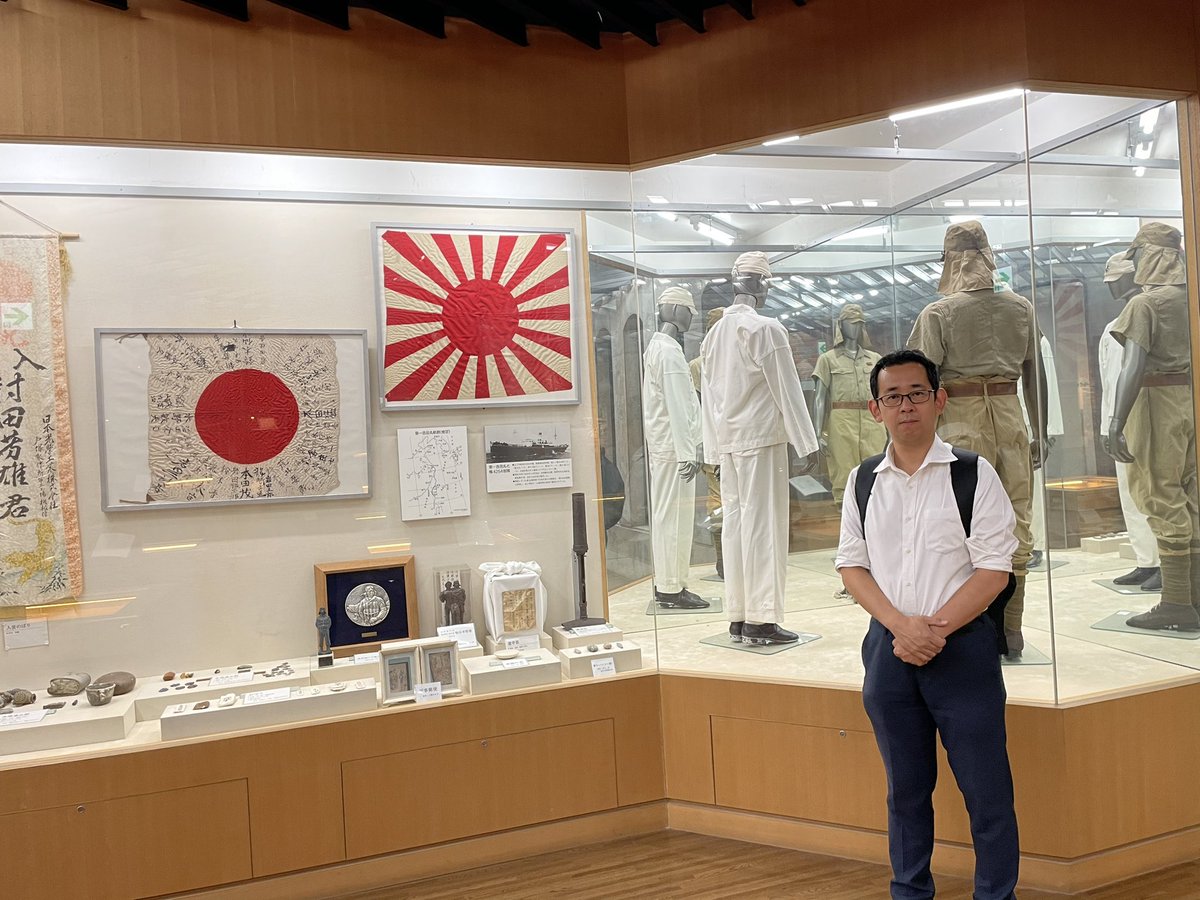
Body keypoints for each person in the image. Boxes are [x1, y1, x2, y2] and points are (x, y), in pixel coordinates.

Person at [836, 349, 1019, 900]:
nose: (906, 406)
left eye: (917, 393)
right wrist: (900, 627)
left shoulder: (973, 473)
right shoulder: (863, 480)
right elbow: (852, 565)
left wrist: (932, 630)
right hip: (889, 654)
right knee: (905, 793)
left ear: (939, 400)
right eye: (892, 396)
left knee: (987, 793)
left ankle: (996, 894)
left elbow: (995, 569)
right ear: (875, 409)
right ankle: (910, 891)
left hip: (962, 652)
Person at [907, 219, 1047, 660]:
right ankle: (1011, 630)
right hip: (1010, 417)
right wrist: (1041, 430)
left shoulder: (938, 314)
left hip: (959, 420)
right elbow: (1035, 372)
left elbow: (919, 381)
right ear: (989, 256)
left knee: (959, 524)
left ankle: (973, 631)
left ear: (949, 260)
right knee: (1016, 518)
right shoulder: (1021, 308)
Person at [700, 251, 818, 645]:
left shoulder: (714, 334)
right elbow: (787, 388)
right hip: (762, 440)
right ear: (762, 284)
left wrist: (713, 449)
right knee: (764, 526)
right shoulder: (766, 329)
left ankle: (738, 615)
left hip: (729, 444)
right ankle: (762, 619)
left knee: (735, 528)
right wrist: (806, 442)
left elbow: (709, 398)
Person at [1104, 222, 1198, 630]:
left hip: (1157, 402)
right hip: (1190, 399)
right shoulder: (1191, 298)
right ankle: (1193, 596)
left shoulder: (1145, 304)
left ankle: (1176, 601)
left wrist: (1116, 421)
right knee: (1190, 495)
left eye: (1139, 253)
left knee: (1159, 493)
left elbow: (1133, 366)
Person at [642, 285, 709, 609]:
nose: (691, 317)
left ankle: (671, 583)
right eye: (689, 311)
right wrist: (688, 451)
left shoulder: (659, 348)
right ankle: (670, 588)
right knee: (673, 520)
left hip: (668, 447)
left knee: (670, 517)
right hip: (674, 449)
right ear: (676, 310)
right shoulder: (668, 352)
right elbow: (678, 406)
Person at [1099, 252, 1160, 590]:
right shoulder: (1111, 328)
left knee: (1154, 490)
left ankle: (1166, 561)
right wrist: (1107, 425)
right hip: (1117, 421)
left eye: (1117, 279)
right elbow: (1108, 383)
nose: (1112, 286)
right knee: (1129, 491)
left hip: (1146, 418)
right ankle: (1146, 560)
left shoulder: (1148, 314)